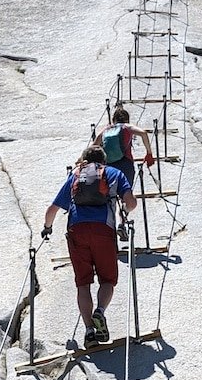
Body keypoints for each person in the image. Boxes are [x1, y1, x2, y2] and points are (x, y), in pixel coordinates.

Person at [41, 145, 136, 347]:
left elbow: (52, 209)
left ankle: (89, 332)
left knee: (83, 283)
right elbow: (131, 203)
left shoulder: (76, 175)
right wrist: (124, 213)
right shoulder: (114, 173)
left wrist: (47, 229)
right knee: (107, 280)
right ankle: (99, 311)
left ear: (85, 159)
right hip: (103, 230)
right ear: (104, 160)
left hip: (77, 230)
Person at [94, 105, 155, 191]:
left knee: (110, 193)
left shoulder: (107, 129)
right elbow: (143, 133)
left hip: (109, 165)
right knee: (126, 192)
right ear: (127, 119)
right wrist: (149, 153)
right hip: (126, 163)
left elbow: (94, 146)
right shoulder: (127, 127)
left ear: (113, 120)